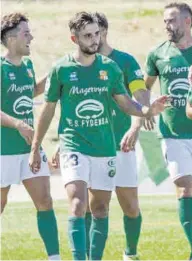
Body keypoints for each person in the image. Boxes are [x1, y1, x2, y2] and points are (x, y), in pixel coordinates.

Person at [28, 12, 167, 260]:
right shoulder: (61, 68)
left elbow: (125, 102)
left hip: (106, 147)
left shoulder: (112, 67)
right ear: (74, 38)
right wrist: (36, 147)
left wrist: (146, 111)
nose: (94, 40)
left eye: (96, 34)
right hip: (74, 145)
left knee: (101, 208)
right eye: (88, 36)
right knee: (78, 204)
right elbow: (47, 110)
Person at [143, 3, 192, 259]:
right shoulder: (157, 53)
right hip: (173, 134)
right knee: (184, 190)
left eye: (171, 20)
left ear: (188, 21)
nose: (167, 26)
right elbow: (142, 85)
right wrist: (146, 107)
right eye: (165, 21)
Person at [0, 12, 60, 260]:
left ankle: (54, 257)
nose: (31, 37)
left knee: (45, 201)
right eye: (26, 33)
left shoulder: (28, 66)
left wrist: (54, 74)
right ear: (11, 39)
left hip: (30, 148)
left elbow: (32, 90)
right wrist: (18, 125)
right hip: (3, 150)